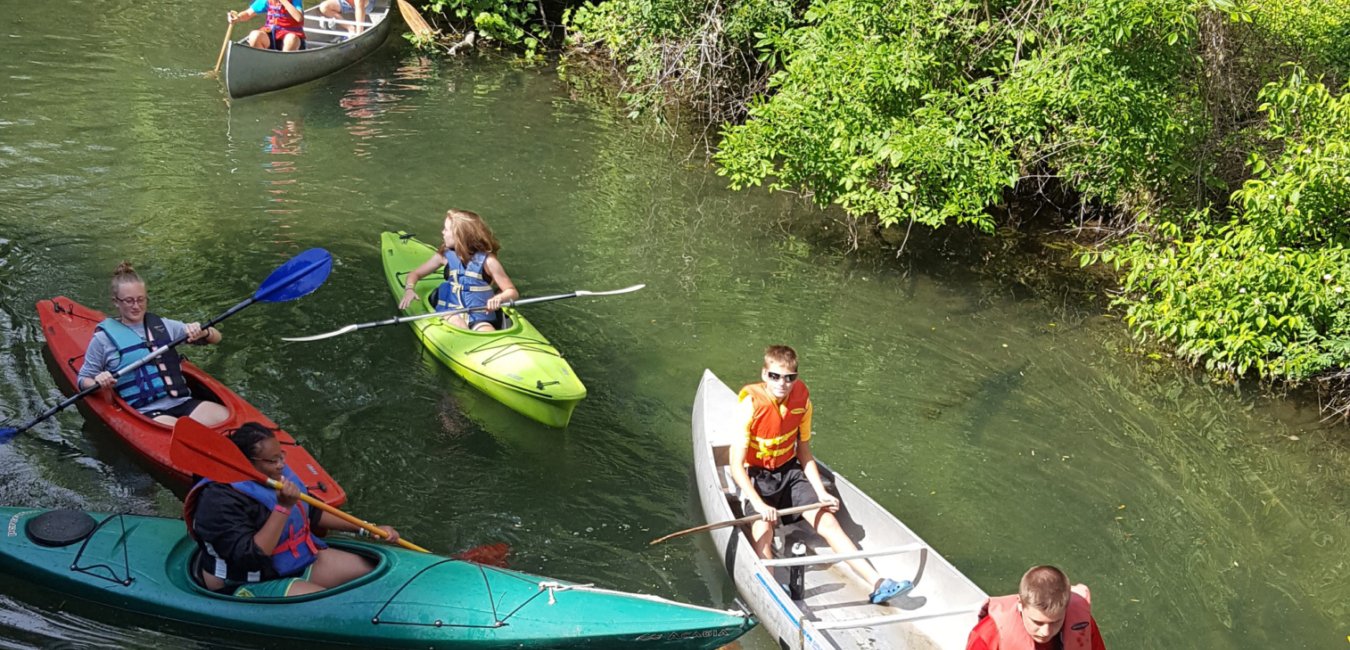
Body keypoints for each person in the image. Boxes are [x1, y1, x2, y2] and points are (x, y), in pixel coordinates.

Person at [728, 345, 913, 605]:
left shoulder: (803, 402)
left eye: (790, 377)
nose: (783, 384)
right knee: (763, 529)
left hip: (789, 472)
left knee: (827, 522)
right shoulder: (750, 405)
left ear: (796, 377)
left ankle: (879, 584)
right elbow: (736, 465)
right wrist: (758, 503)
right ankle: (771, 594)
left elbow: (803, 453)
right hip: (756, 476)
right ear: (764, 374)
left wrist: (822, 492)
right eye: (775, 376)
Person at [184, 422, 401, 597]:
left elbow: (312, 510)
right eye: (273, 460)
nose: (281, 465)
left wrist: (366, 528)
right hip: (246, 579)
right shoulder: (218, 501)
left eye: (282, 457)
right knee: (336, 605)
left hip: (293, 562)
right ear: (246, 462)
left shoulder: (276, 475)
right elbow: (252, 556)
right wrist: (282, 507)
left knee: (373, 573)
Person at [77, 262, 229, 427]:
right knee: (182, 432)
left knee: (227, 419)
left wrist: (203, 331)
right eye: (129, 301)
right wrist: (99, 382)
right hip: (147, 412)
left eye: (141, 299)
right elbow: (83, 380)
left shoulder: (164, 326)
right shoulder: (102, 340)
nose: (136, 306)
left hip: (182, 402)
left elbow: (216, 338)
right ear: (115, 301)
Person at [397, 209, 519, 332]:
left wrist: (499, 298)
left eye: (446, 229)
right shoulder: (445, 255)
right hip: (450, 312)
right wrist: (409, 289)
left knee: (487, 331)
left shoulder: (489, 262)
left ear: (459, 235)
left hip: (479, 316)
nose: (442, 232)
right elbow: (415, 274)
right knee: (458, 323)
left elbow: (512, 292)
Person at [965, 566, 1107, 650]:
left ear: (1066, 608)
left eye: (1055, 622)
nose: (1046, 632)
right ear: (1020, 604)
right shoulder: (986, 636)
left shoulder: (1081, 624)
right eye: (1037, 622)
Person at [228, 0, 306, 52]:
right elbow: (248, 13)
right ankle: (262, 62)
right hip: (272, 36)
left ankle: (284, 66)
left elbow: (299, 18)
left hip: (291, 40)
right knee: (254, 35)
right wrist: (237, 17)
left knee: (291, 39)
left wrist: (284, 1)